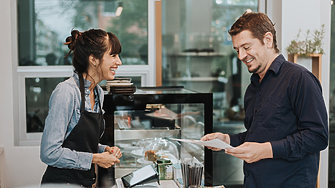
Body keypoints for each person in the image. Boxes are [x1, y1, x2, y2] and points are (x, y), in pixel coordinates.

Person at [201, 12, 328, 188]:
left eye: (246, 47)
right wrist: (226, 140)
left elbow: (317, 137)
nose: (241, 56)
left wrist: (266, 151)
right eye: (237, 50)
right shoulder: (253, 88)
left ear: (268, 40)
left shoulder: (299, 78)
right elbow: (258, 135)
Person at [40, 29, 123, 187]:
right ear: (93, 59)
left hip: (85, 183)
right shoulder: (66, 92)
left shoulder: (98, 93)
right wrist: (96, 159)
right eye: (113, 55)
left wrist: (104, 150)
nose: (119, 62)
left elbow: (81, 145)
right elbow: (49, 153)